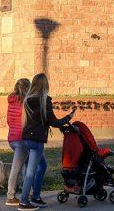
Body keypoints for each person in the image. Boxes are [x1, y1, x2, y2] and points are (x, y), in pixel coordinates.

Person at [18, 73, 75, 211]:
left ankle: (36, 197)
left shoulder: (27, 100)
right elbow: (54, 122)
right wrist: (69, 117)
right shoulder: (44, 101)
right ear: (45, 85)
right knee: (31, 172)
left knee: (42, 166)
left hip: (26, 139)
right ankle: (24, 202)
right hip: (36, 141)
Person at [6, 78, 31, 206]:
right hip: (21, 139)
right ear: (27, 88)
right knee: (16, 168)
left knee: (27, 165)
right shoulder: (25, 102)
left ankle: (27, 191)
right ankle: (10, 196)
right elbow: (27, 122)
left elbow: (9, 121)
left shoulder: (11, 101)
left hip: (12, 138)